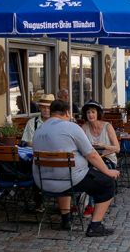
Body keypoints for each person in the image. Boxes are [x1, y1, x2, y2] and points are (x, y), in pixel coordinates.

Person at [32, 100, 119, 236]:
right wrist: (108, 171)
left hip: (43, 182)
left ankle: (66, 219)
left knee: (64, 176)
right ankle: (95, 225)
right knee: (108, 183)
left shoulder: (39, 130)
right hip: (70, 180)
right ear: (67, 113)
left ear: (51, 113)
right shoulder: (71, 127)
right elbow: (91, 154)